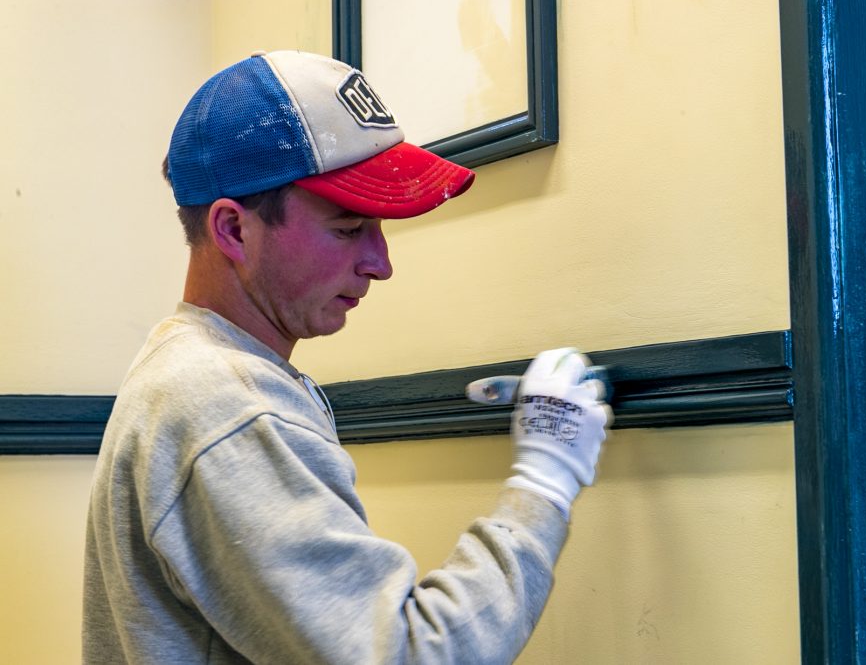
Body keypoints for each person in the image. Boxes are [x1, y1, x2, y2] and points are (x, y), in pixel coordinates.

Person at [82, 50, 612, 664]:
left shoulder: (185, 367)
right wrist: (544, 480)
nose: (380, 264)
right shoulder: (224, 405)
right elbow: (411, 656)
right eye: (347, 228)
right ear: (232, 229)